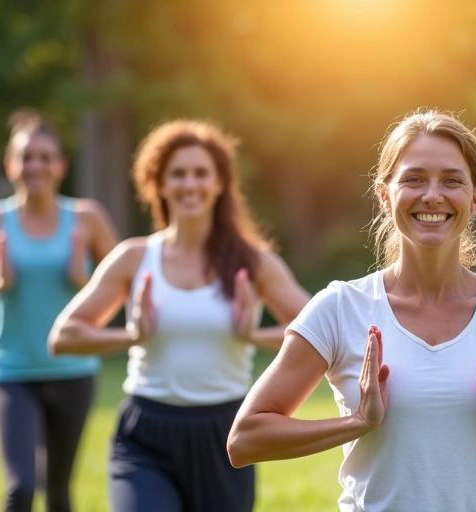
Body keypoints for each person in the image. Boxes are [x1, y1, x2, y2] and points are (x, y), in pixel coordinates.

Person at [227, 109, 476, 511]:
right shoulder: (340, 308)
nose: (433, 195)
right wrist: (355, 423)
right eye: (414, 179)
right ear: (385, 196)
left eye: (452, 180)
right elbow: (245, 439)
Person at [48, 119, 311, 512]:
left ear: (220, 183)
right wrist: (133, 335)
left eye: (201, 173)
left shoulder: (253, 263)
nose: (190, 184)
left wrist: (254, 335)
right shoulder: (134, 258)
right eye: (178, 174)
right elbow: (64, 337)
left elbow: (321, 336)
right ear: (159, 183)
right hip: (146, 432)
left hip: (224, 435)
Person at [0, 109, 118, 512]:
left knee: (59, 492)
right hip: (11, 369)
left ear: (60, 166)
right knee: (20, 486)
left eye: (45, 157)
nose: (36, 165)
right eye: (26, 157)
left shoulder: (87, 218)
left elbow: (128, 287)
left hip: (73, 370)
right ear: (10, 165)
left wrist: (85, 280)